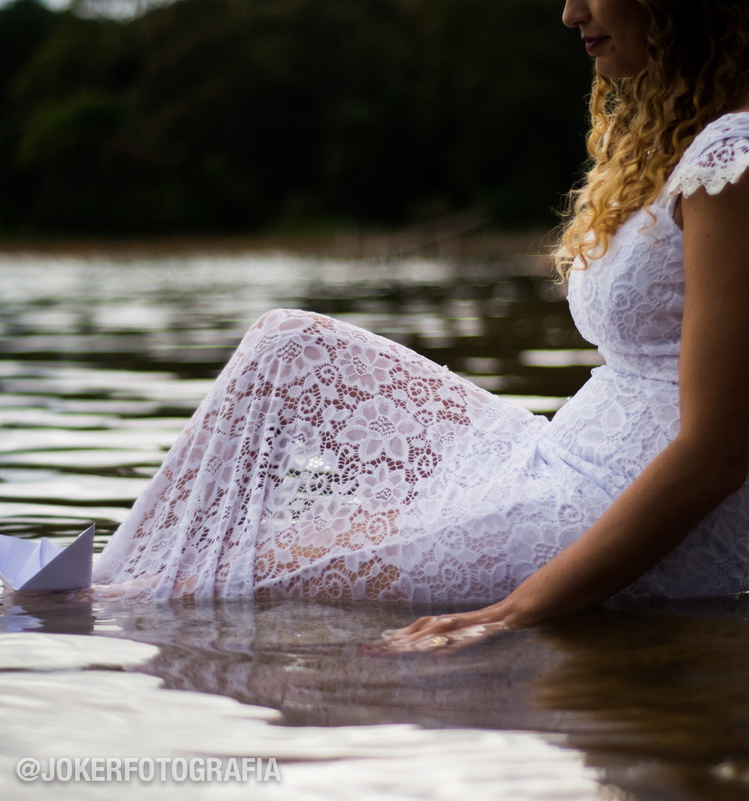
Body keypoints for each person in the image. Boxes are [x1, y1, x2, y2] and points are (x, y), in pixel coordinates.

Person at [92, 0, 749, 651]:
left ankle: (87, 612)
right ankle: (103, 577)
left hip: (616, 506)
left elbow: (720, 448)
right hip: (557, 455)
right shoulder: (679, 140)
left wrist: (514, 611)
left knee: (248, 571)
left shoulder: (732, 157)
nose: (570, 13)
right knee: (287, 349)